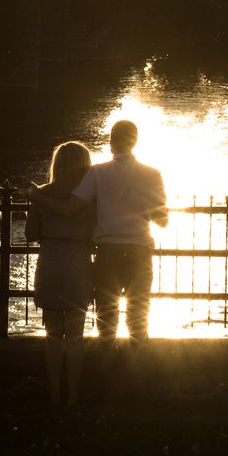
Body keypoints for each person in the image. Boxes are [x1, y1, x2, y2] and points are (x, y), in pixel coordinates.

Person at [76, 119, 169, 342]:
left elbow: (76, 204)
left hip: (107, 252)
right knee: (138, 321)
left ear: (111, 141)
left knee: (106, 323)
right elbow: (163, 220)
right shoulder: (152, 174)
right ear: (135, 141)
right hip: (139, 252)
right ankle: (138, 373)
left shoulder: (97, 173)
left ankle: (106, 372)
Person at [25, 141, 96, 408]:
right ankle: (73, 397)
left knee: (53, 336)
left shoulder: (42, 194)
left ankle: (55, 396)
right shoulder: (90, 199)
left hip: (51, 263)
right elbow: (95, 234)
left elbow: (31, 234)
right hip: (78, 264)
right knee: (75, 337)